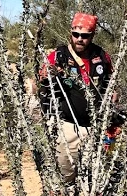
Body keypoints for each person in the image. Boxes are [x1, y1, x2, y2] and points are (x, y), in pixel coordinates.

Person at [38, 12, 119, 184]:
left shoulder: (102, 57)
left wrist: (110, 119)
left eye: (85, 36)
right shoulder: (59, 55)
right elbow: (43, 78)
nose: (79, 39)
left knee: (98, 175)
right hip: (67, 127)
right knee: (64, 176)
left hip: (97, 126)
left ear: (92, 35)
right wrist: (48, 74)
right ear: (71, 33)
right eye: (76, 34)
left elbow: (111, 87)